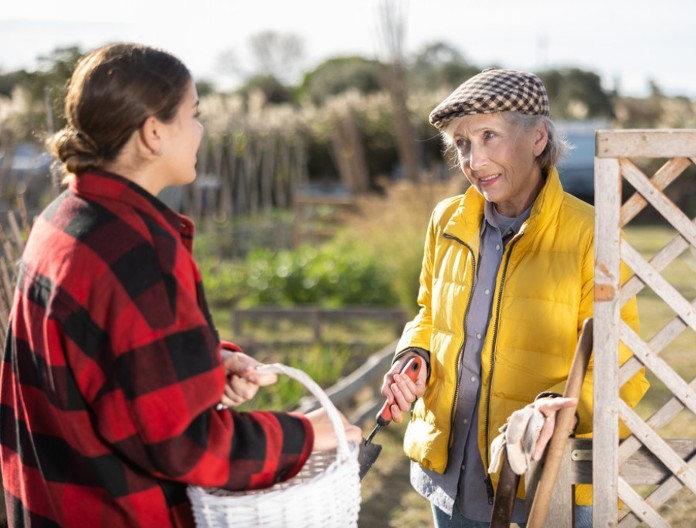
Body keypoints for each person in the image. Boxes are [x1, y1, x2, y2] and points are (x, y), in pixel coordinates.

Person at [0, 43, 361, 528]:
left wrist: (206, 366)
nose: (201, 130)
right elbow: (187, 445)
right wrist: (310, 434)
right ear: (153, 133)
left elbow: (101, 363)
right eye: (193, 114)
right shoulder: (139, 252)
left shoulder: (60, 221)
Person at [380, 68, 649, 527]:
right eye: (462, 143)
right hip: (450, 477)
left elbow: (621, 368)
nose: (474, 159)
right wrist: (415, 354)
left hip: (545, 483)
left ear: (538, 138)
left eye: (489, 136)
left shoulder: (592, 234)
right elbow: (429, 312)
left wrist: (555, 414)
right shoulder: (447, 220)